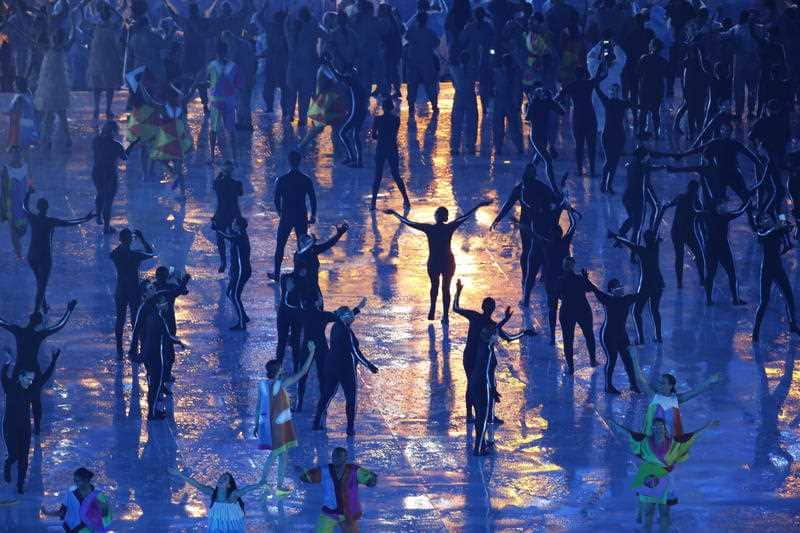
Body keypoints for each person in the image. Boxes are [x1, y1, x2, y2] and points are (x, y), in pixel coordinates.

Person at [598, 411, 718, 533]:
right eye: (655, 427)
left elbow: (692, 436)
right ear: (652, 429)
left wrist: (708, 426)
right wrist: (613, 424)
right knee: (648, 513)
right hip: (649, 480)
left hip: (666, 481)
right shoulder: (645, 440)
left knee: (664, 513)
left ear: (665, 429)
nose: (657, 429)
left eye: (660, 427)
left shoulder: (674, 442)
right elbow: (629, 433)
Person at [385, 199, 492, 323]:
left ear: (435, 217)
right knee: (445, 288)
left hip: (434, 262)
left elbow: (408, 222)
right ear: (446, 218)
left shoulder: (429, 228)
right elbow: (466, 216)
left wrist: (395, 213)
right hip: (448, 262)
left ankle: (432, 308)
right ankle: (445, 315)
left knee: (434, 286)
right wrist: (478, 205)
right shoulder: (449, 227)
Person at [453, 279, 533, 421]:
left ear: (482, 306)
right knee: (488, 385)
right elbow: (509, 338)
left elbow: (456, 308)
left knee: (471, 384)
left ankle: (470, 415)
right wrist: (523, 333)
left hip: (469, 356)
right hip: (481, 359)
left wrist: (458, 292)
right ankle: (488, 415)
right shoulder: (492, 325)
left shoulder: (474, 316)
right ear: (493, 309)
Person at [490, 165, 560, 306]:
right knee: (528, 250)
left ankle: (539, 274)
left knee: (539, 250)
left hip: (540, 222)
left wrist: (550, 212)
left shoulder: (539, 188)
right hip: (527, 222)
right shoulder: (521, 189)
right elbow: (508, 204)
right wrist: (498, 218)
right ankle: (527, 276)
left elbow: (555, 201)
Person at [256, 342, 316, 498]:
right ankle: (267, 483)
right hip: (279, 426)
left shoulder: (263, 385)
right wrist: (312, 352)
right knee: (276, 455)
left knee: (281, 456)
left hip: (268, 425)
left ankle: (275, 485)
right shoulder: (280, 384)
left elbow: (258, 407)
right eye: (281, 368)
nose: (283, 369)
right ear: (278, 371)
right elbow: (302, 372)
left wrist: (257, 425)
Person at [23, 188, 93, 313]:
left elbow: (24, 207)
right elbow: (70, 222)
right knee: (42, 284)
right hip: (44, 257)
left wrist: (28, 194)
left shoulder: (33, 218)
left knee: (40, 281)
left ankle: (43, 305)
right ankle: (35, 312)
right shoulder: (50, 222)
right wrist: (85, 219)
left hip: (32, 255)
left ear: (38, 207)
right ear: (47, 208)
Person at [312, 306, 378, 436]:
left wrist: (358, 307)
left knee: (327, 394)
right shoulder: (346, 331)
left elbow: (346, 315)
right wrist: (369, 365)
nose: (353, 318)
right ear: (346, 318)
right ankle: (350, 428)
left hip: (330, 365)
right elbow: (355, 352)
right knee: (351, 398)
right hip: (346, 369)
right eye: (350, 317)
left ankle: (316, 421)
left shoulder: (335, 326)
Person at [608, 205, 669, 345]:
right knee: (655, 311)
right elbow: (656, 225)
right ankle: (658, 337)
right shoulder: (655, 248)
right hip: (658, 284)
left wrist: (615, 236)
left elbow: (628, 243)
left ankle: (641, 338)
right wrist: (663, 209)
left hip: (646, 285)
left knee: (636, 312)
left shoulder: (642, 250)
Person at [2, 350, 57, 493]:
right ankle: (8, 465)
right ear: (20, 377)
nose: (30, 382)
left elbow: (44, 378)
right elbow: (2, 375)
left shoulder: (31, 390)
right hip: (9, 426)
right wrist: (7, 363)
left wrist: (53, 361)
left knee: (24, 458)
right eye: (28, 379)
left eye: (32, 380)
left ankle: (20, 484)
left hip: (25, 427)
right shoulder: (10, 387)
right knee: (14, 455)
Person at [128, 285, 185, 420]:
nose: (154, 289)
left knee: (154, 383)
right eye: (150, 288)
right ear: (145, 294)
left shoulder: (151, 307)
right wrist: (132, 349)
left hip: (148, 350)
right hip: (152, 352)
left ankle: (153, 411)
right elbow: (139, 330)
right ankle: (152, 414)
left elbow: (166, 292)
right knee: (155, 383)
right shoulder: (149, 311)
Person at [631, 354, 721, 436]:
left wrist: (710, 381)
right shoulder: (654, 396)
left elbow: (695, 392)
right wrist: (634, 357)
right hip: (652, 437)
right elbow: (640, 378)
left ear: (670, 386)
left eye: (663, 383)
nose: (660, 385)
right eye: (660, 382)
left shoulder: (675, 399)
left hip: (668, 438)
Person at [583, 272, 640, 394]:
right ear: (611, 290)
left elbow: (642, 295)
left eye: (620, 285)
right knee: (612, 360)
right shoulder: (607, 299)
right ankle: (608, 386)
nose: (620, 288)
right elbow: (594, 289)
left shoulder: (627, 299)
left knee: (628, 360)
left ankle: (633, 385)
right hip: (608, 336)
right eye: (616, 287)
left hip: (622, 335)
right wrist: (586, 279)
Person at [297, 447, 377, 532]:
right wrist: (303, 473)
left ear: (345, 458)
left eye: (339, 456)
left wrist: (371, 480)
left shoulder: (354, 471)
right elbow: (308, 477)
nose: (336, 458)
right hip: (329, 512)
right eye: (334, 456)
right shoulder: (325, 470)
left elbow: (370, 479)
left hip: (348, 513)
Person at [168, 467, 267, 532]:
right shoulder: (212, 493)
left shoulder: (232, 496)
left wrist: (259, 485)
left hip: (232, 526)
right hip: (217, 525)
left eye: (224, 479)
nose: (221, 479)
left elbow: (245, 489)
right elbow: (196, 484)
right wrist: (179, 474)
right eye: (221, 477)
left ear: (228, 485)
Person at [270, 150, 316, 281]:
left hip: (287, 216)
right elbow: (313, 199)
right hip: (301, 215)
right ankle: (303, 273)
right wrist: (313, 215)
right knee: (303, 247)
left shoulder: (282, 180)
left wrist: (280, 212)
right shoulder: (306, 179)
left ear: (289, 162)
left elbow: (276, 199)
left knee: (280, 245)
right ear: (299, 162)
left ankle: (277, 274)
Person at [535, 205, 578, 345]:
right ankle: (564, 334)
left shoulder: (546, 244)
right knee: (565, 308)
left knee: (552, 309)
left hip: (551, 282)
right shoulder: (565, 242)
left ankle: (553, 337)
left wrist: (519, 223)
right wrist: (569, 211)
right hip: (563, 281)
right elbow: (573, 225)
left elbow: (532, 232)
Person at [752, 218, 800, 342]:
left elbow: (786, 232)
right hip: (767, 270)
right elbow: (769, 233)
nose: (769, 220)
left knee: (789, 296)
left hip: (778, 268)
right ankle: (755, 333)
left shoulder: (775, 231)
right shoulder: (762, 234)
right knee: (764, 302)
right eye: (766, 219)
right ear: (762, 223)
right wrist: (779, 227)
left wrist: (788, 227)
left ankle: (793, 325)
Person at [694, 200, 749, 306]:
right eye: (721, 205)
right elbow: (739, 212)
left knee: (711, 274)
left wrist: (702, 237)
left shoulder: (706, 215)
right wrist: (747, 204)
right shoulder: (724, 216)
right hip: (722, 247)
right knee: (730, 273)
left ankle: (709, 300)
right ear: (716, 207)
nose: (724, 207)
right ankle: (735, 299)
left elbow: (695, 217)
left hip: (710, 247)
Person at [110, 229, 155, 358]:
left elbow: (113, 253)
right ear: (131, 240)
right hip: (133, 289)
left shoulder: (115, 254)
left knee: (120, 319)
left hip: (120, 288)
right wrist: (141, 238)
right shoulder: (135, 255)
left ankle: (119, 351)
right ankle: (133, 349)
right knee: (136, 320)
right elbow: (151, 253)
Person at [92, 121, 134, 234]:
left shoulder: (96, 141)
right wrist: (132, 146)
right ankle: (106, 227)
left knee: (100, 193)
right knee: (108, 201)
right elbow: (124, 157)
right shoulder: (116, 145)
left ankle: (98, 216)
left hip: (97, 172)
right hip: (110, 173)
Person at [83, 1, 123, 120]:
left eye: (106, 11)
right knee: (98, 86)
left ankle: (106, 109)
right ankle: (98, 109)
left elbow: (120, 18)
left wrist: (111, 8)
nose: (104, 13)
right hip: (100, 59)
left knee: (107, 86)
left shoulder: (111, 25)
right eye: (103, 11)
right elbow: (86, 17)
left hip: (107, 59)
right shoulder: (98, 24)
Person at [556, 66, 599, 176]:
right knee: (591, 145)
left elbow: (558, 97)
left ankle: (580, 170)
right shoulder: (589, 83)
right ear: (585, 75)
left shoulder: (571, 85)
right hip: (590, 115)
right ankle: (593, 170)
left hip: (577, 116)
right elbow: (602, 75)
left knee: (579, 145)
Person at [557, 257, 597, 373]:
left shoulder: (561, 280)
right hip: (583, 309)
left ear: (564, 266)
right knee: (589, 335)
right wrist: (586, 278)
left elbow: (558, 295)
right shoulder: (580, 279)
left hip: (567, 311)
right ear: (573, 266)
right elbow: (590, 289)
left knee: (568, 339)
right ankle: (592, 360)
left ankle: (571, 367)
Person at [41, 467, 112, 531]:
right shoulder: (71, 493)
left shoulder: (98, 494)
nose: (76, 483)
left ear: (86, 480)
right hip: (70, 529)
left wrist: (95, 502)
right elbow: (62, 512)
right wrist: (47, 513)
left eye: (78, 481)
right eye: (75, 481)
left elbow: (105, 514)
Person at [370, 98, 410, 211]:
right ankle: (406, 200)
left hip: (381, 148)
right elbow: (394, 134)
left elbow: (373, 136)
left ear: (382, 108)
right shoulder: (396, 120)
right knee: (396, 175)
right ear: (392, 108)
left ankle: (373, 203)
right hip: (392, 148)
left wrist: (380, 137)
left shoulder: (377, 119)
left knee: (378, 176)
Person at [662, 180, 703, 288]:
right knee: (687, 256)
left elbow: (668, 205)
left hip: (683, 232)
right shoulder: (690, 200)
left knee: (688, 256)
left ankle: (698, 280)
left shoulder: (686, 198)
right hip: (680, 232)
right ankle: (697, 280)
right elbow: (698, 214)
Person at [207, 41, 243, 163]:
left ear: (216, 52)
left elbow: (205, 80)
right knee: (231, 130)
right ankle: (235, 157)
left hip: (215, 101)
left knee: (214, 129)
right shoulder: (234, 66)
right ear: (227, 51)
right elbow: (239, 85)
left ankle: (212, 157)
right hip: (229, 100)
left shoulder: (211, 65)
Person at [404, 11, 440, 116]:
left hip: (413, 63)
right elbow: (436, 43)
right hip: (427, 62)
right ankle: (434, 106)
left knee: (412, 86)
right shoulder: (430, 32)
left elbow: (407, 38)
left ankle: (411, 107)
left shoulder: (412, 31)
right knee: (430, 86)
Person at [218, 216, 251, 330]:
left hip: (241, 272)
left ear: (238, 226)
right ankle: (244, 316)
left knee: (235, 296)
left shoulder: (240, 237)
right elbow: (230, 236)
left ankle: (242, 324)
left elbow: (228, 237)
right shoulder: (240, 235)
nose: (232, 223)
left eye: (234, 222)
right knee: (229, 293)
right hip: (237, 271)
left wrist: (218, 230)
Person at [211, 160, 243, 274]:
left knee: (220, 239)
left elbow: (214, 185)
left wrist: (220, 175)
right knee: (234, 240)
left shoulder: (218, 183)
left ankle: (223, 262)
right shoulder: (237, 184)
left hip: (221, 214)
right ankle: (233, 264)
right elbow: (241, 193)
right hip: (234, 214)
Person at [0, 145, 31, 258]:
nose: (16, 155)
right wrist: (3, 208)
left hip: (23, 205)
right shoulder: (6, 169)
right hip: (11, 205)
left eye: (18, 153)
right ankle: (18, 254)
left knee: (23, 230)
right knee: (13, 229)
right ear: (11, 155)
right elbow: (3, 190)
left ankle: (18, 249)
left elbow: (29, 185)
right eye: (13, 153)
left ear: (21, 154)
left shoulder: (26, 167)